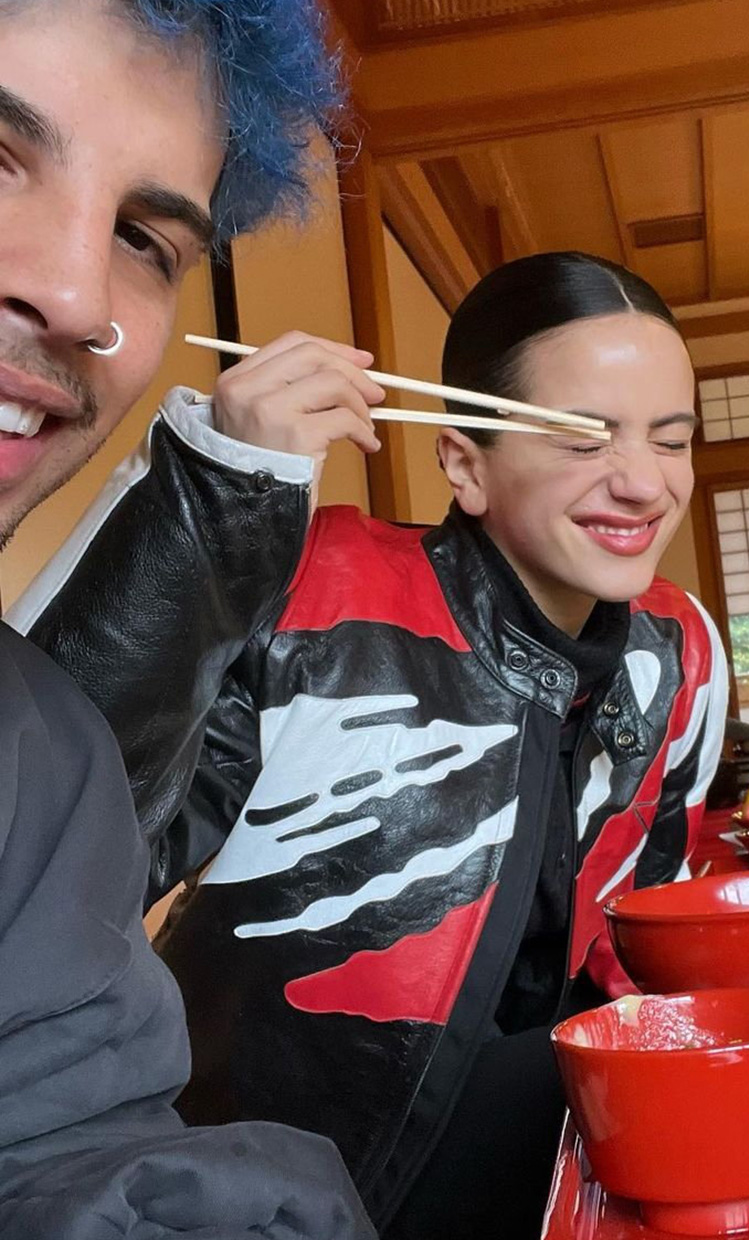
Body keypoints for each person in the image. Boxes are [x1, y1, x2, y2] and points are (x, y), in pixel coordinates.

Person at [14, 251, 729, 1237]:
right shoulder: (325, 599)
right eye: (583, 437)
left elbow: (651, 943)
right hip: (285, 1187)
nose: (644, 482)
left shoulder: (678, 649)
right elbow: (44, 855)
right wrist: (216, 493)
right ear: (464, 463)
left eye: (673, 438)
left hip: (565, 1156)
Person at [0, 1, 375, 1235]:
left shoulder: (38, 747)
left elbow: (66, 1138)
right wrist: (231, 484)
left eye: (146, 240)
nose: (73, 291)